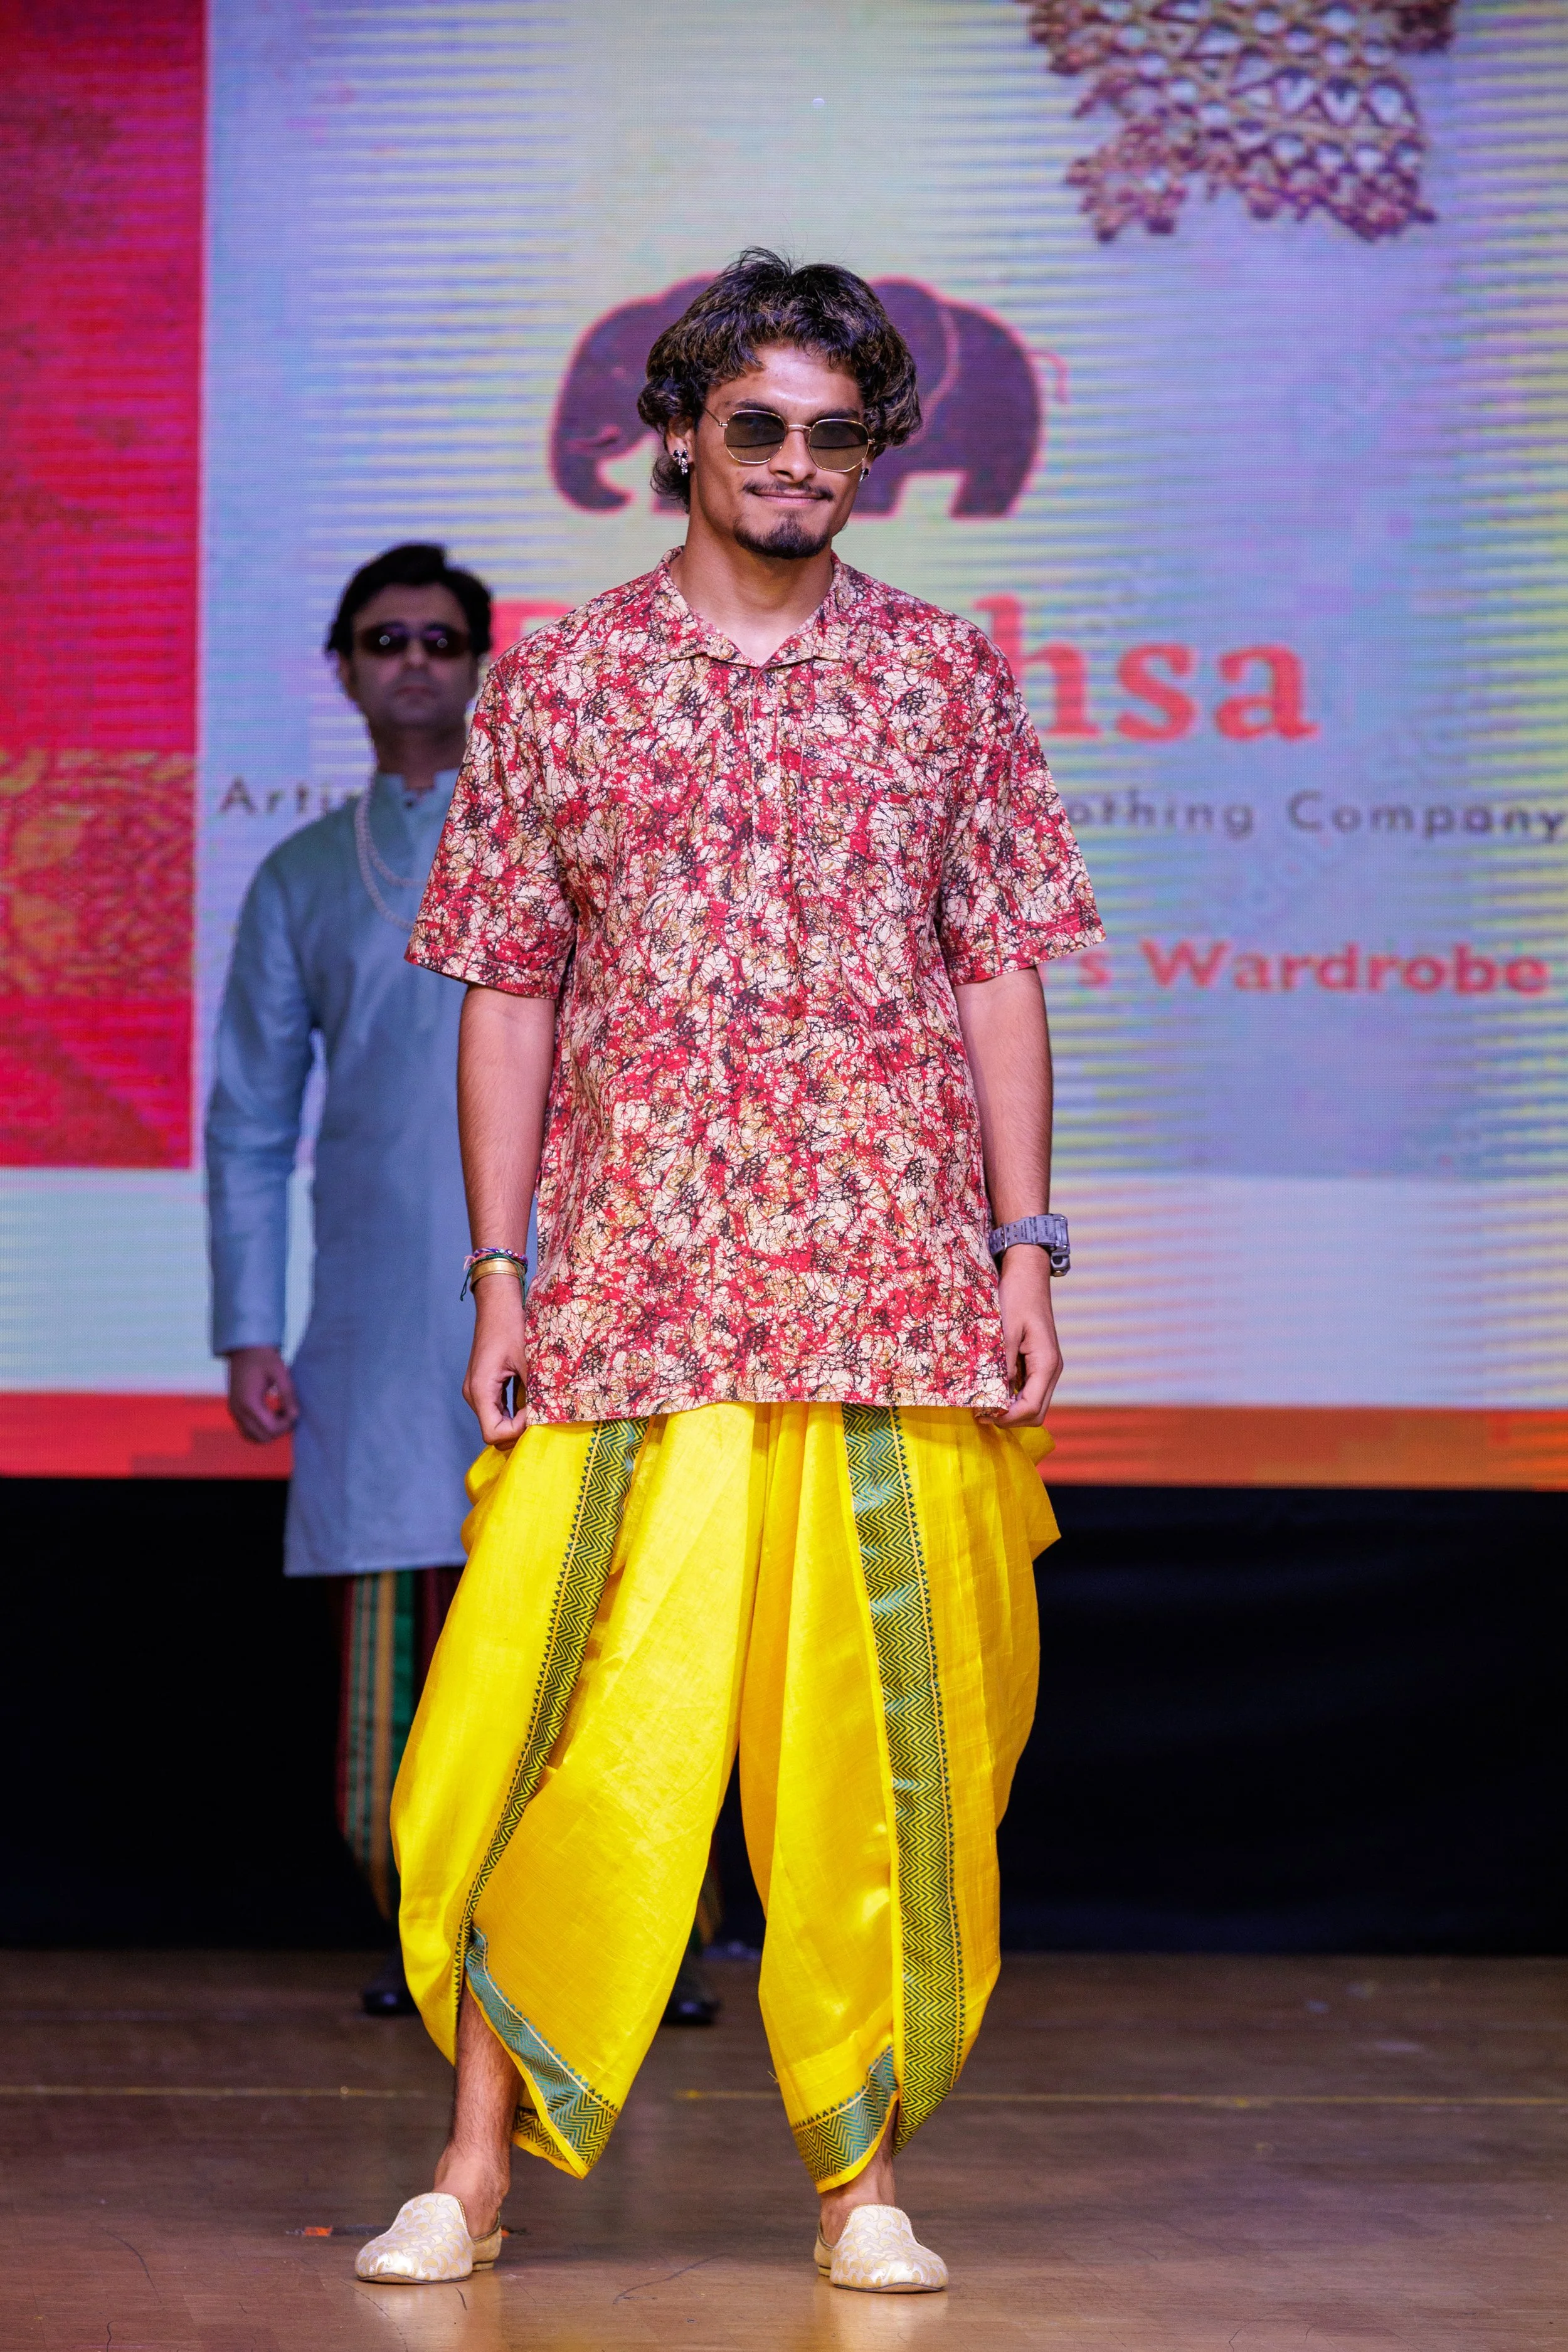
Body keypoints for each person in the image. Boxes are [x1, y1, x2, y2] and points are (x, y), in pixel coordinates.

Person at [356, 251, 1102, 2294]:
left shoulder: (942, 677)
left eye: (835, 433)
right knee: (572, 1721)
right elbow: (505, 994)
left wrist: (1026, 1250)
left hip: (886, 1283)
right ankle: (473, 2172)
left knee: (878, 1748)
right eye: (756, 426)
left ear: (876, 452)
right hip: (634, 1286)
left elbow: (998, 970)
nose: (795, 463)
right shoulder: (567, 675)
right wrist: (502, 1277)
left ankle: (862, 2186)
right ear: (676, 438)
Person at [206, 543, 492, 2013]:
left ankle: (642, 1949)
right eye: (386, 639)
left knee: (598, 1614)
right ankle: (423, 1942)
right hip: (380, 1309)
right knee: (393, 1637)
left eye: (441, 639)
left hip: (564, 1289)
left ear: (480, 663)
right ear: (343, 666)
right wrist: (249, 1326)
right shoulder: (307, 873)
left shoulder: (547, 841)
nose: (415, 663)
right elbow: (252, 1116)